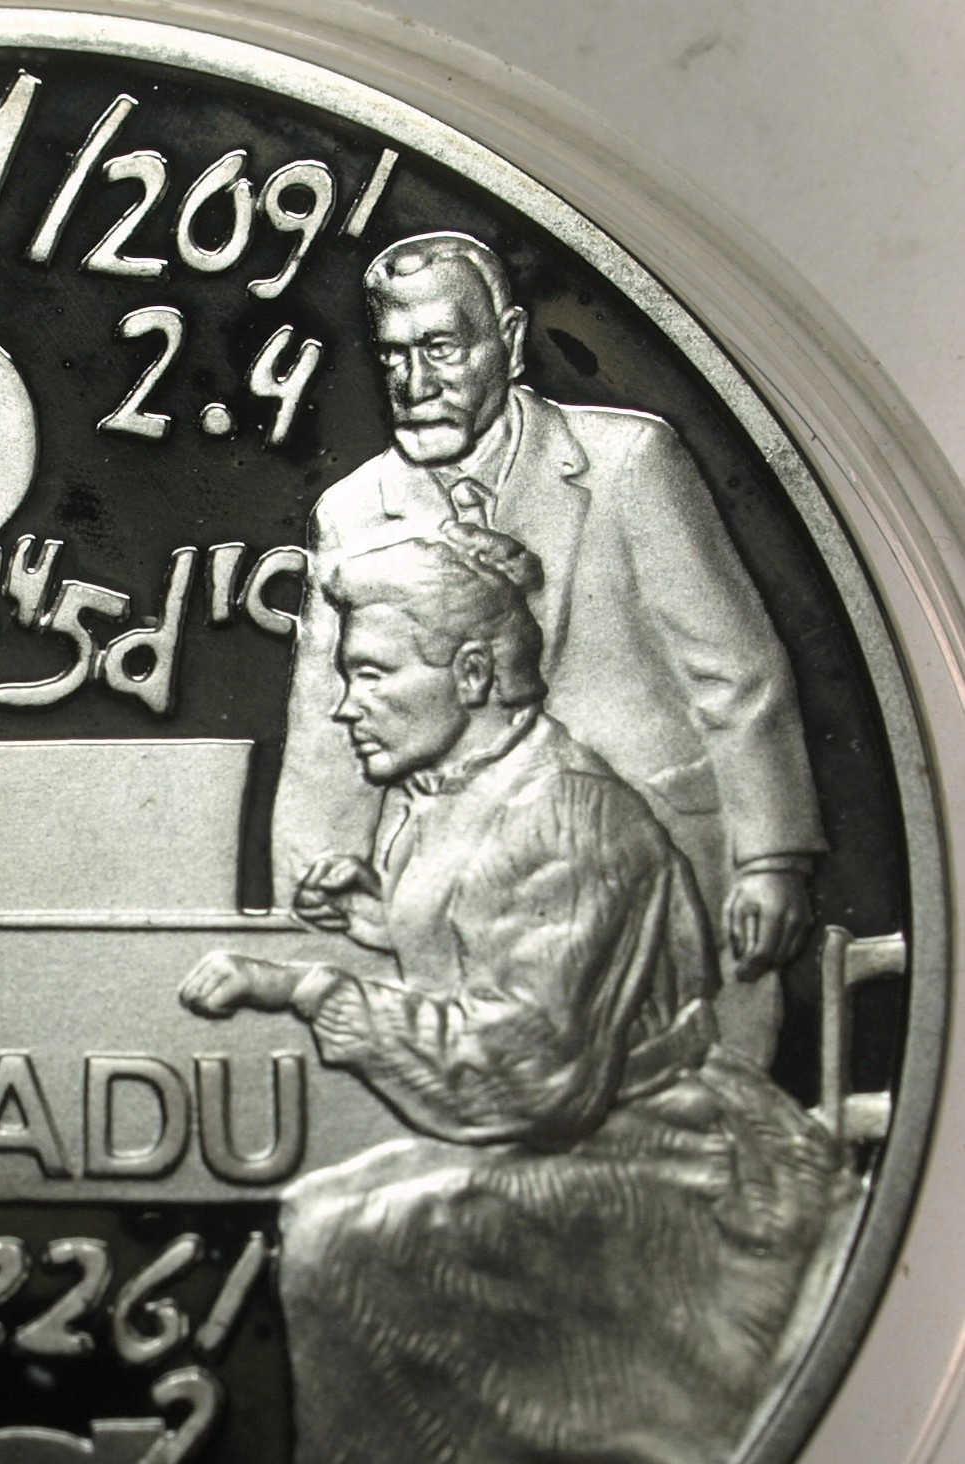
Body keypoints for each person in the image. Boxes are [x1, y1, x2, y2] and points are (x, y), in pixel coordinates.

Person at [184, 524, 858, 1464]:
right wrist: (379, 918)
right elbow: (488, 940)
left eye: (371, 672)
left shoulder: (567, 813)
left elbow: (525, 1076)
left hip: (658, 1158)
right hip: (587, 1134)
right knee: (337, 1217)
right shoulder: (467, 788)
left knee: (346, 1237)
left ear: (472, 673)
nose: (343, 705)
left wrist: (311, 991)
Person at [270, 230, 825, 1063]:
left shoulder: (629, 463)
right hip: (466, 909)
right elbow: (327, 734)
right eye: (392, 356)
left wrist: (773, 859)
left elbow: (734, 673)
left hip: (664, 878)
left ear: (511, 339)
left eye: (441, 349)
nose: (413, 384)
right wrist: (309, 895)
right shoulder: (352, 512)